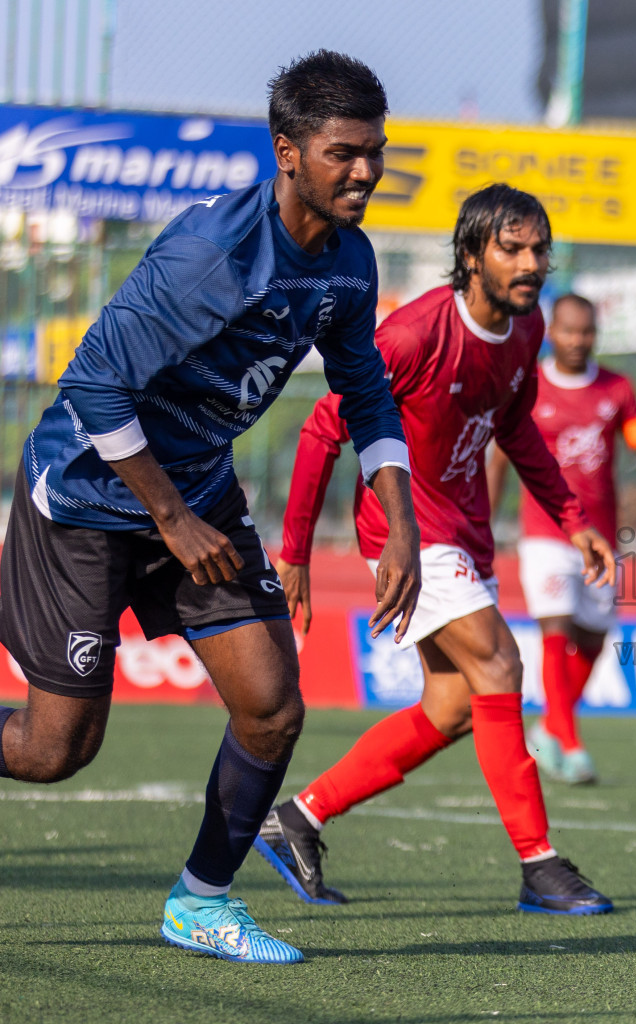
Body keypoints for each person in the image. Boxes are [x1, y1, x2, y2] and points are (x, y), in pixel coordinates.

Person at [0, 51, 421, 965]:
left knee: (271, 705)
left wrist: (403, 525)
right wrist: (172, 521)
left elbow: (367, 395)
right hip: (85, 495)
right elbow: (95, 388)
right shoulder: (211, 254)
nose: (366, 171)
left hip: (195, 490)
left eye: (375, 152)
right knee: (52, 750)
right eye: (346, 153)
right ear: (287, 152)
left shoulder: (350, 262)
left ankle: (201, 902)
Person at [257, 184, 617, 916]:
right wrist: (293, 554)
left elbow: (516, 428)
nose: (530, 263)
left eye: (539, 249)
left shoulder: (526, 326)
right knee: (499, 663)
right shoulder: (415, 335)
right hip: (404, 534)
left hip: (464, 527)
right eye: (511, 248)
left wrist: (571, 514)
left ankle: (299, 818)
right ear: (469, 256)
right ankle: (540, 866)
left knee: (454, 705)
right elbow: (326, 429)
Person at [485, 293, 636, 784]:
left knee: (595, 636)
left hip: (598, 538)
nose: (578, 340)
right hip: (546, 532)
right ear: (552, 332)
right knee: (557, 629)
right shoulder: (528, 385)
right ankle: (570, 744)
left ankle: (551, 726)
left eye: (587, 332)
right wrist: (483, 524)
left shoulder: (617, 389)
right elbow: (499, 459)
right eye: (570, 331)